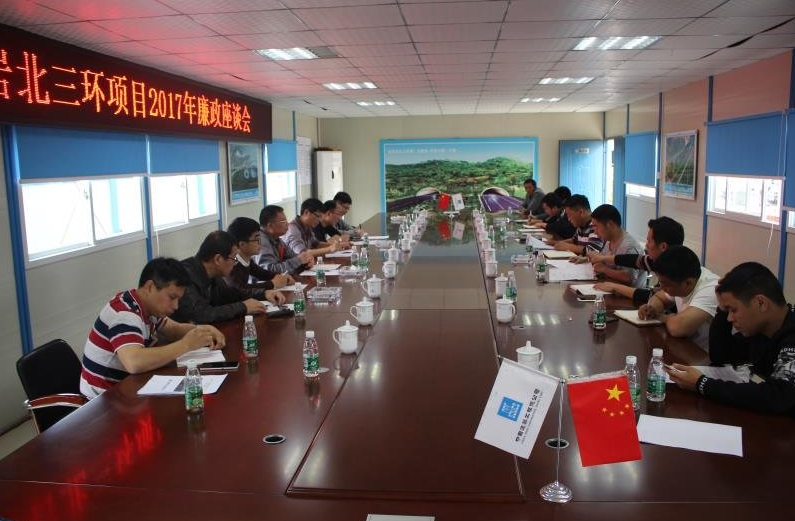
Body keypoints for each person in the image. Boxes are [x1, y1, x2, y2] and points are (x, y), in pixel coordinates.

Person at [79, 257, 226, 399]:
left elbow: (174, 329)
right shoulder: (124, 314)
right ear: (150, 287)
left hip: (127, 389)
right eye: (172, 297)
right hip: (102, 400)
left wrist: (203, 330)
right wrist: (186, 345)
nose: (176, 306)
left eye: (178, 299)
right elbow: (134, 362)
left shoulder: (146, 307)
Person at [667, 262, 795, 416]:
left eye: (733, 310)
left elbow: (780, 396)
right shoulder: (762, 329)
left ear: (761, 303)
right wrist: (722, 308)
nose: (729, 318)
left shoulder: (790, 333)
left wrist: (702, 384)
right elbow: (722, 356)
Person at [171, 231, 285, 324]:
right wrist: (243, 307)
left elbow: (231, 294)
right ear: (218, 259)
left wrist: (263, 294)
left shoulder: (212, 273)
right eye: (234, 258)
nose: (235, 263)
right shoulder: (185, 276)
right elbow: (201, 314)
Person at [637, 245, 718, 351]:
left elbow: (678, 328)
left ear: (688, 283)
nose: (662, 288)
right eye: (660, 282)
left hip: (706, 356)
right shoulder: (682, 275)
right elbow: (659, 297)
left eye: (666, 284)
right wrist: (651, 309)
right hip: (686, 348)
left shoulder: (711, 289)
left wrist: (663, 317)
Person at [590, 216, 685, 304]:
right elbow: (633, 260)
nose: (646, 245)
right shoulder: (658, 260)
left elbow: (651, 296)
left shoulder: (674, 271)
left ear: (663, 246)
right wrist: (603, 258)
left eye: (649, 241)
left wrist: (615, 287)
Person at [576, 204, 643, 287]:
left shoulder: (629, 246)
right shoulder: (609, 241)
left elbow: (629, 278)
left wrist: (604, 269)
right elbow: (603, 260)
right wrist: (587, 259)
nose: (595, 232)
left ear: (610, 224)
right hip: (609, 287)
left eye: (596, 226)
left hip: (624, 294)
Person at [226, 217, 294, 291]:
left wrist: (280, 276)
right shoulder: (232, 264)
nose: (260, 243)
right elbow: (241, 289)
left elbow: (262, 273)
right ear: (242, 244)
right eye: (257, 239)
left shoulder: (246, 260)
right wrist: (272, 284)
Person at [257, 205, 314, 273]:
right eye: (283, 221)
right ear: (270, 226)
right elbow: (269, 271)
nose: (287, 224)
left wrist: (306, 262)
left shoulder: (277, 239)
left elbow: (293, 257)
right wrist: (299, 260)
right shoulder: (260, 241)